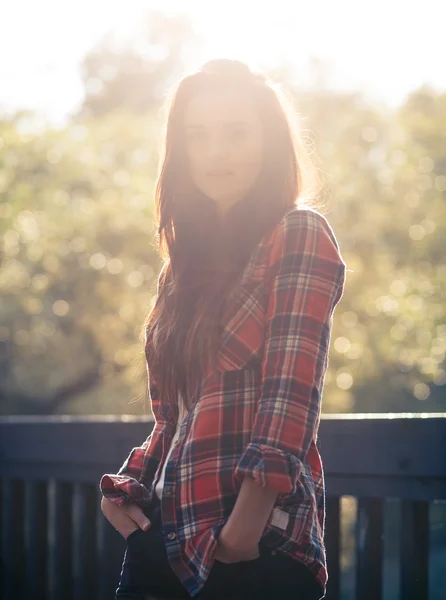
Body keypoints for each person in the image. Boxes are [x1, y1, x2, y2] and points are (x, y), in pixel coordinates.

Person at [99, 58, 347, 600]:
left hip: (251, 548)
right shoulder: (181, 268)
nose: (216, 151)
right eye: (198, 135)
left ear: (269, 140)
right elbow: (177, 416)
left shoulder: (298, 233)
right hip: (163, 540)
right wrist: (124, 487)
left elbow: (291, 392)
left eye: (236, 132)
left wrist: (244, 528)